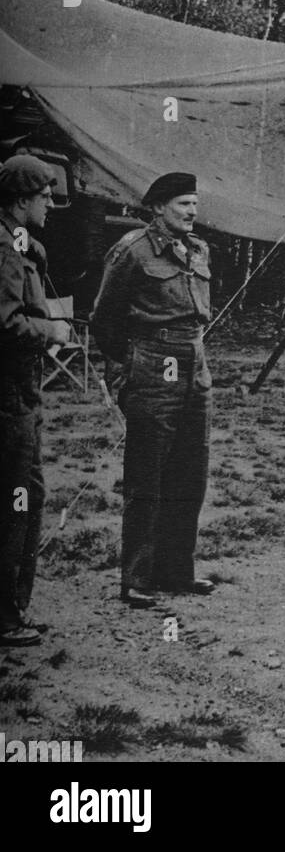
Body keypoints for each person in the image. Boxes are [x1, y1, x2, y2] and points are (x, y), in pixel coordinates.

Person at [90, 172, 216, 608]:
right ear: (159, 206)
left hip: (194, 365)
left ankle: (176, 571)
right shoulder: (131, 250)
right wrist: (125, 371)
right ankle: (137, 578)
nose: (192, 211)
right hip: (152, 362)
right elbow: (104, 319)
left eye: (195, 204)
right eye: (183, 203)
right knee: (147, 474)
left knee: (190, 472)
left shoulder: (198, 250)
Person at [0, 154, 70, 646]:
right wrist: (53, 329)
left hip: (20, 395)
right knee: (14, 502)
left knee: (30, 496)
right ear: (21, 198)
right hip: (8, 400)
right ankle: (5, 618)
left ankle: (14, 609)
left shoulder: (20, 244)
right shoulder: (4, 248)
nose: (50, 202)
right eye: (44, 194)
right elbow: (5, 323)